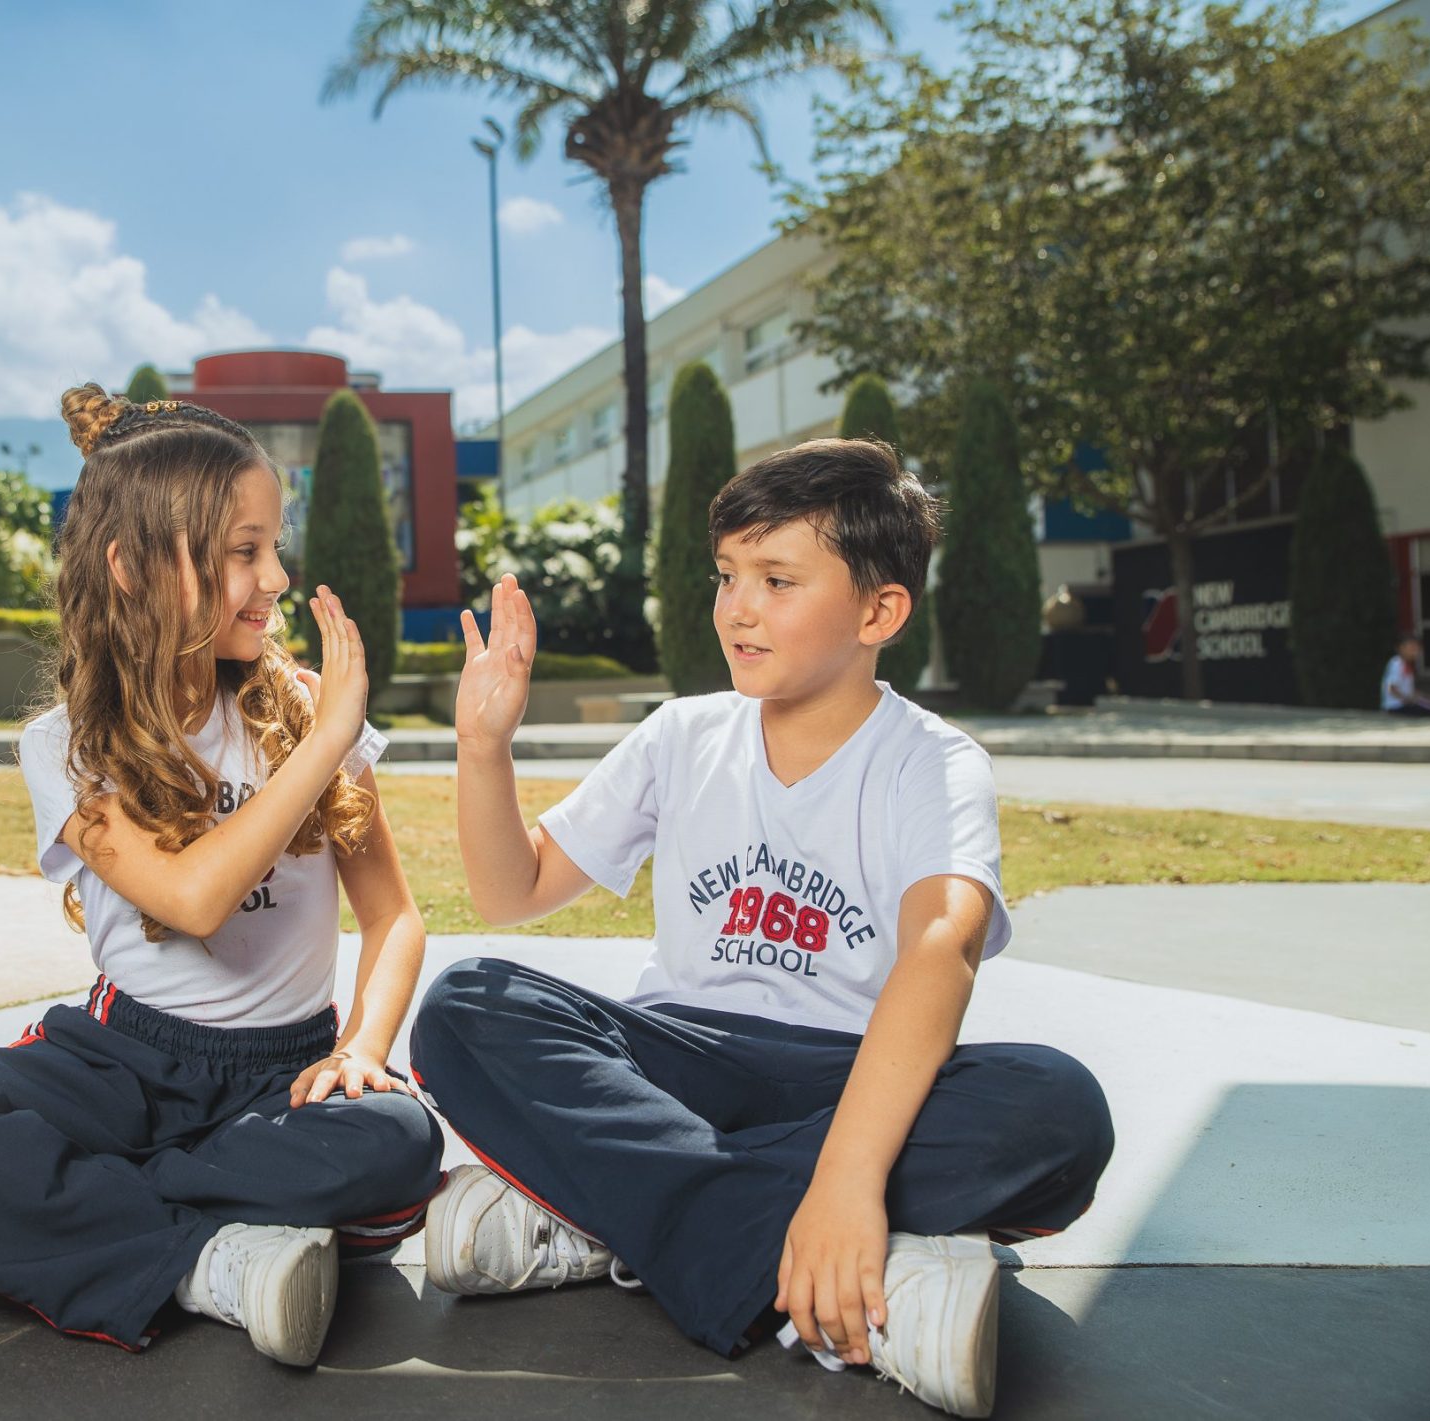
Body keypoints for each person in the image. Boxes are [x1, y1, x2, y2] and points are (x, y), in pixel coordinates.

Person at [410, 439, 1114, 1418]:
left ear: (878, 611)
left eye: (776, 579)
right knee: (465, 1004)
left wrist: (846, 1173)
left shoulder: (930, 763)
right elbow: (510, 888)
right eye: (727, 575)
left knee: (1055, 1107)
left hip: (848, 1076)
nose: (736, 606)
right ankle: (868, 1275)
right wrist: (482, 746)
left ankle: (606, 1215)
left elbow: (938, 947)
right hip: (679, 1058)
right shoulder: (680, 733)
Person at [0, 389, 443, 1366]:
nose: (273, 576)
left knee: (396, 1138)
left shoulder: (306, 708)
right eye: (241, 551)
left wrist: (362, 1045)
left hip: (283, 1069)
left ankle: (0, 1215)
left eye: (274, 546)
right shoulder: (66, 743)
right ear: (135, 567)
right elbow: (192, 896)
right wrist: (328, 744)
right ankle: (202, 1260)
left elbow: (393, 917)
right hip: (116, 1060)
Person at [1381, 636, 1430, 716]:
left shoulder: (1406, 665)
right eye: (1411, 648)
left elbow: (1411, 692)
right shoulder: (1397, 663)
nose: (1415, 652)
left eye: (1416, 649)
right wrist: (1408, 699)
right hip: (1396, 707)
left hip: (1404, 706)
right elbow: (1391, 689)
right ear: (1401, 648)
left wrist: (1429, 697)